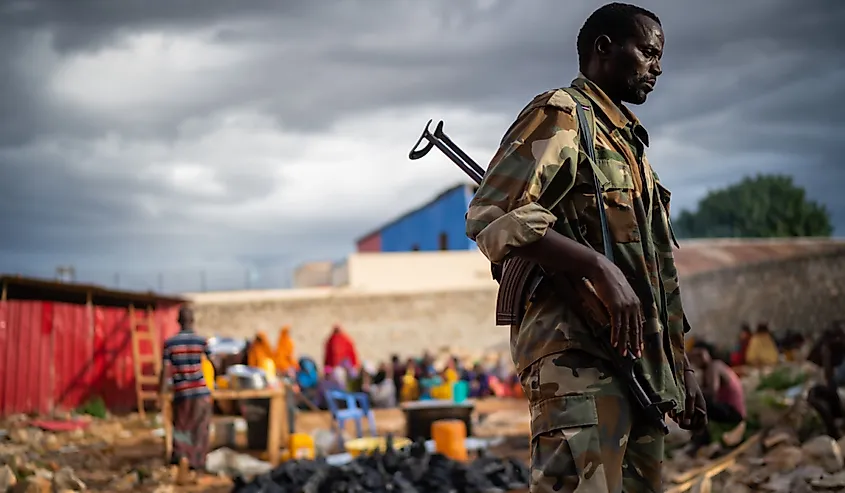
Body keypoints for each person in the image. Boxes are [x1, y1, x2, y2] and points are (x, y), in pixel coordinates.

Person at [464, 3, 706, 491]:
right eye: (648, 52)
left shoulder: (630, 147)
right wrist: (596, 267)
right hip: (575, 363)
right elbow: (489, 216)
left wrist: (680, 365)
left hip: (640, 368)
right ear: (604, 48)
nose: (657, 67)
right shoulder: (562, 116)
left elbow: (656, 271)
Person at [161, 305, 212, 471]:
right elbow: (214, 363)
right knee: (200, 429)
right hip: (201, 391)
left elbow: (165, 371)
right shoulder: (201, 341)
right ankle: (197, 464)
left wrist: (160, 394)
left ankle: (182, 459)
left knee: (182, 428)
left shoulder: (170, 344)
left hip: (182, 392)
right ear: (193, 320)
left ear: (178, 321)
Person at [688, 343, 746, 447]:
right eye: (695, 356)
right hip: (729, 409)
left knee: (696, 404)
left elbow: (711, 393)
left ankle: (700, 443)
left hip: (733, 412)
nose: (698, 359)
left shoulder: (714, 366)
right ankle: (700, 440)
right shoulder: (708, 370)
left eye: (700, 354)